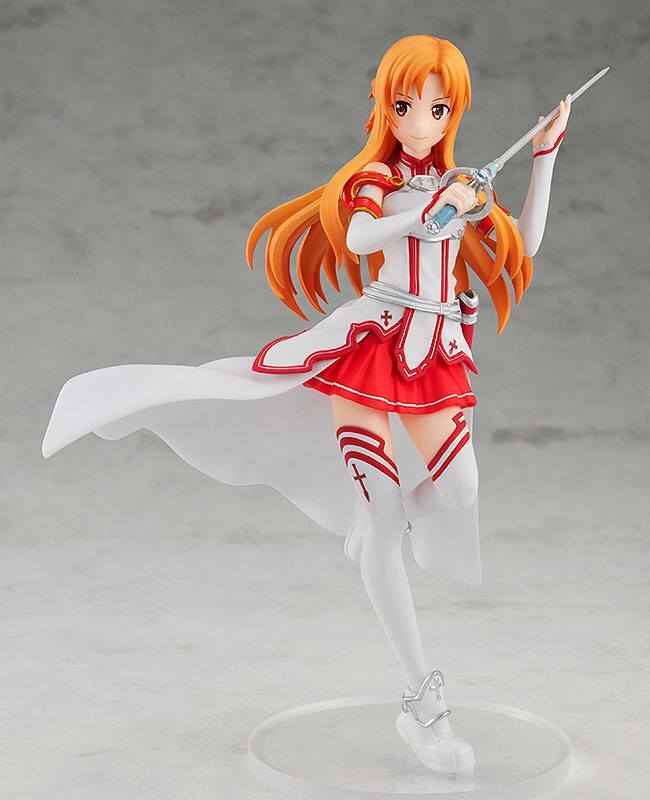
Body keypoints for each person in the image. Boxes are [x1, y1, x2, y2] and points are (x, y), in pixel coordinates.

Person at [42, 35, 570, 774]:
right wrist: (426, 213)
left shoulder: (460, 183)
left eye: (438, 107)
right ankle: (422, 702)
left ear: (454, 112)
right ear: (385, 107)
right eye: (407, 105)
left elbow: (528, 243)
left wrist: (544, 157)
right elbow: (359, 233)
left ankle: (379, 527)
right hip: (371, 346)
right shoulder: (377, 178)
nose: (422, 120)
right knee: (382, 523)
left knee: (459, 490)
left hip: (435, 353)